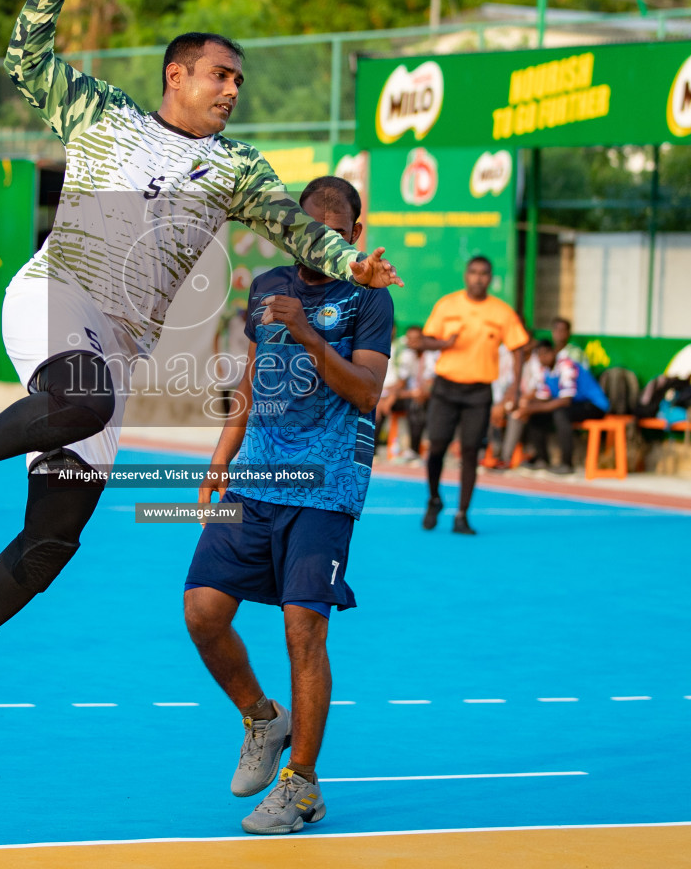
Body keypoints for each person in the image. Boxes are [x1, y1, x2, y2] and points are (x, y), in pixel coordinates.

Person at [0, 0, 402, 749]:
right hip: (55, 296)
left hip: (114, 353)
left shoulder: (239, 169)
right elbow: (25, 54)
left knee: (55, 536)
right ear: (177, 75)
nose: (233, 90)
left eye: (239, 80)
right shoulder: (101, 114)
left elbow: (299, 232)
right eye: (220, 75)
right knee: (80, 399)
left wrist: (352, 262)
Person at [189, 177, 391, 835]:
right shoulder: (266, 285)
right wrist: (222, 455)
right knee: (203, 613)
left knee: (304, 631)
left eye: (334, 230)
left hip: (325, 488)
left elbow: (365, 392)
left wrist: (307, 332)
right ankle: (260, 717)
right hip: (254, 481)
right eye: (308, 226)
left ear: (353, 236)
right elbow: (254, 376)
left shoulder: (371, 298)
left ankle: (301, 784)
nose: (318, 239)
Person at [412, 255, 529, 535]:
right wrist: (444, 343)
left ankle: (462, 515)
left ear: (491, 278)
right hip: (445, 388)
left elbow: (519, 349)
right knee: (437, 447)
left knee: (470, 452)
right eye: (473, 272)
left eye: (484, 273)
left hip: (479, 392)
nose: (478, 278)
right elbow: (424, 341)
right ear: (466, 275)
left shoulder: (501, 312)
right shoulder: (447, 305)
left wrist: (513, 389)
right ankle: (434, 498)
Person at [518, 337, 610, 473]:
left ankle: (567, 464)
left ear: (553, 353)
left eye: (545, 354)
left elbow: (565, 400)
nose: (543, 358)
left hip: (594, 405)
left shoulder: (566, 365)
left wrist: (531, 408)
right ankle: (542, 460)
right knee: (536, 416)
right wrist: (527, 407)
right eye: (539, 355)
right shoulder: (546, 372)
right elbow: (543, 398)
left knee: (560, 414)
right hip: (573, 405)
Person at [375, 325, 428, 460]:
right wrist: (386, 397)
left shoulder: (429, 356)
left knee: (415, 404)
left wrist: (391, 396)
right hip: (400, 395)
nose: (412, 342)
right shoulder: (405, 354)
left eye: (416, 339)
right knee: (376, 407)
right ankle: (372, 451)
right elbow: (401, 382)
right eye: (410, 339)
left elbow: (406, 383)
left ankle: (414, 451)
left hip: (418, 397)